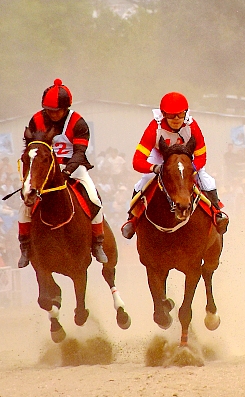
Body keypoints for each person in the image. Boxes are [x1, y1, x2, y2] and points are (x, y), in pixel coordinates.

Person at [18, 80, 107, 269]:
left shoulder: (78, 123)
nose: (53, 114)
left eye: (57, 110)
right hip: (44, 167)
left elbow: (79, 153)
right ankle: (25, 246)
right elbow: (31, 149)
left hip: (72, 165)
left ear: (66, 108)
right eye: (49, 109)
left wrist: (66, 172)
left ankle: (98, 242)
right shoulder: (36, 120)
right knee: (25, 203)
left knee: (94, 197)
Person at [122, 92, 225, 239]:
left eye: (180, 114)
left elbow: (201, 155)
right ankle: (132, 220)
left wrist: (193, 169)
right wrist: (154, 168)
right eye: (171, 115)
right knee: (143, 181)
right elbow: (137, 161)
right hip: (161, 158)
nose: (176, 119)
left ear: (186, 113)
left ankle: (217, 215)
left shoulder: (192, 126)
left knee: (207, 180)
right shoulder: (154, 128)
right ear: (163, 114)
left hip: (187, 161)